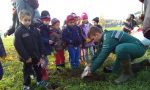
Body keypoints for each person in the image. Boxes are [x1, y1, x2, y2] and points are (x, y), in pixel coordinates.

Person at [81, 26, 147, 84]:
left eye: (93, 39)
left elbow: (102, 57)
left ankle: (127, 74)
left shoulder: (108, 38)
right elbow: (98, 53)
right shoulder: (103, 39)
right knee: (116, 72)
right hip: (128, 51)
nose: (93, 41)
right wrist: (91, 63)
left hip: (139, 48)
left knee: (120, 48)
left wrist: (91, 70)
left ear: (97, 34)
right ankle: (143, 64)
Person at [14, 9, 47, 90]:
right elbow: (18, 45)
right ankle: (26, 84)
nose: (27, 22)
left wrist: (42, 53)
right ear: (20, 19)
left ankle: (39, 80)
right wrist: (26, 57)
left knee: (38, 69)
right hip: (27, 58)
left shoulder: (35, 30)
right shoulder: (18, 31)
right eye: (25, 20)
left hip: (36, 55)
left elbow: (40, 42)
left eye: (29, 20)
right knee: (27, 71)